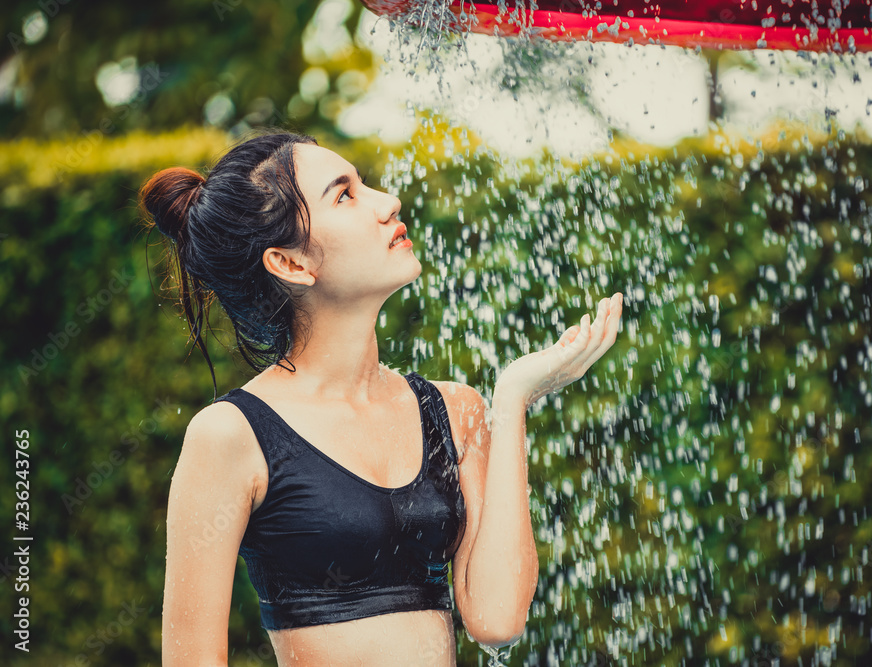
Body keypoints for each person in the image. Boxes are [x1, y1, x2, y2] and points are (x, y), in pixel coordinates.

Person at [142, 130, 623, 666]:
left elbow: (497, 619)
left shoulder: (452, 411)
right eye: (344, 194)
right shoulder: (233, 434)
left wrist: (510, 401)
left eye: (363, 183)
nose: (387, 201)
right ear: (292, 264)